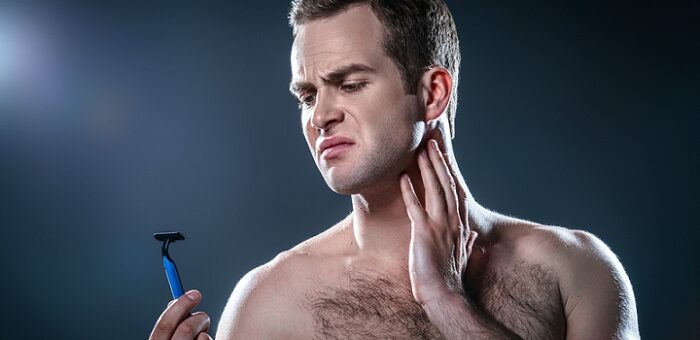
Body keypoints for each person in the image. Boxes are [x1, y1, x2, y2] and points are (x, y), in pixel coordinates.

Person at [150, 1, 640, 339]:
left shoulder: (575, 271)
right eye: (307, 94)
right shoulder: (269, 305)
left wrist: (448, 302)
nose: (320, 116)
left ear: (432, 93)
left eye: (350, 84)